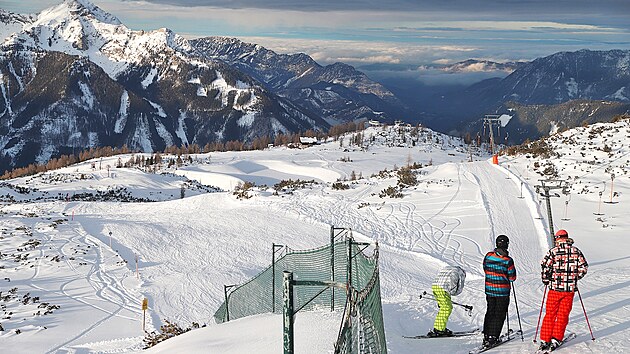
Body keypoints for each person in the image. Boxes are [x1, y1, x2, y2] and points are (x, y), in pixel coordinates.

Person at [538, 229, 588, 351]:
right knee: (563, 315)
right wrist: (575, 277)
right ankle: (556, 338)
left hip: (555, 288)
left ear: (558, 238)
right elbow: (584, 267)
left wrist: (546, 279)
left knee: (550, 314)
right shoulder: (576, 251)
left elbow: (545, 265)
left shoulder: (553, 252)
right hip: (569, 290)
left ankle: (545, 339)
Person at [482, 234, 517, 347]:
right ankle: (493, 337)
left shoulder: (488, 256)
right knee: (499, 314)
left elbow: (485, 268)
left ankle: (486, 335)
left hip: (489, 290)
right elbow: (512, 277)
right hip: (502, 292)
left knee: (490, 312)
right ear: (506, 245)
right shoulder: (508, 260)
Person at [426, 265, 466, 337]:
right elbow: (456, 286)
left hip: (435, 286)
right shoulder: (459, 273)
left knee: (444, 308)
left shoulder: (449, 269)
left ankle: (438, 327)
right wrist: (453, 292)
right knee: (447, 308)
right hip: (443, 288)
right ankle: (439, 330)